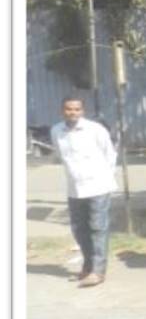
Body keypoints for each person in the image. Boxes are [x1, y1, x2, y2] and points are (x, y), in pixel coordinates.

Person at [50, 96, 117, 288]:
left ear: (82, 111)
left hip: (98, 186)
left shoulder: (95, 129)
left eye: (77, 109)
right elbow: (60, 155)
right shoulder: (56, 131)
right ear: (62, 111)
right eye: (69, 109)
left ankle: (98, 271)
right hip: (74, 188)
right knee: (79, 229)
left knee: (97, 227)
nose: (73, 112)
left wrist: (104, 177)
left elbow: (110, 153)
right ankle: (88, 267)